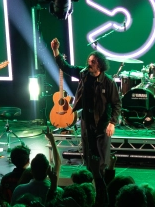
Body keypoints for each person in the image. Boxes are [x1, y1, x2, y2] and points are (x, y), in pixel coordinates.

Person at [50, 38, 120, 176]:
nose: (89, 64)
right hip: (87, 120)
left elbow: (116, 103)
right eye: (89, 61)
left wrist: (112, 123)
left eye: (93, 62)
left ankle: (103, 179)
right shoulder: (84, 74)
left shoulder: (108, 82)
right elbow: (65, 67)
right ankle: (91, 177)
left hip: (102, 121)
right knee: (88, 151)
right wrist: (55, 50)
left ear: (100, 64)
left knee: (102, 154)